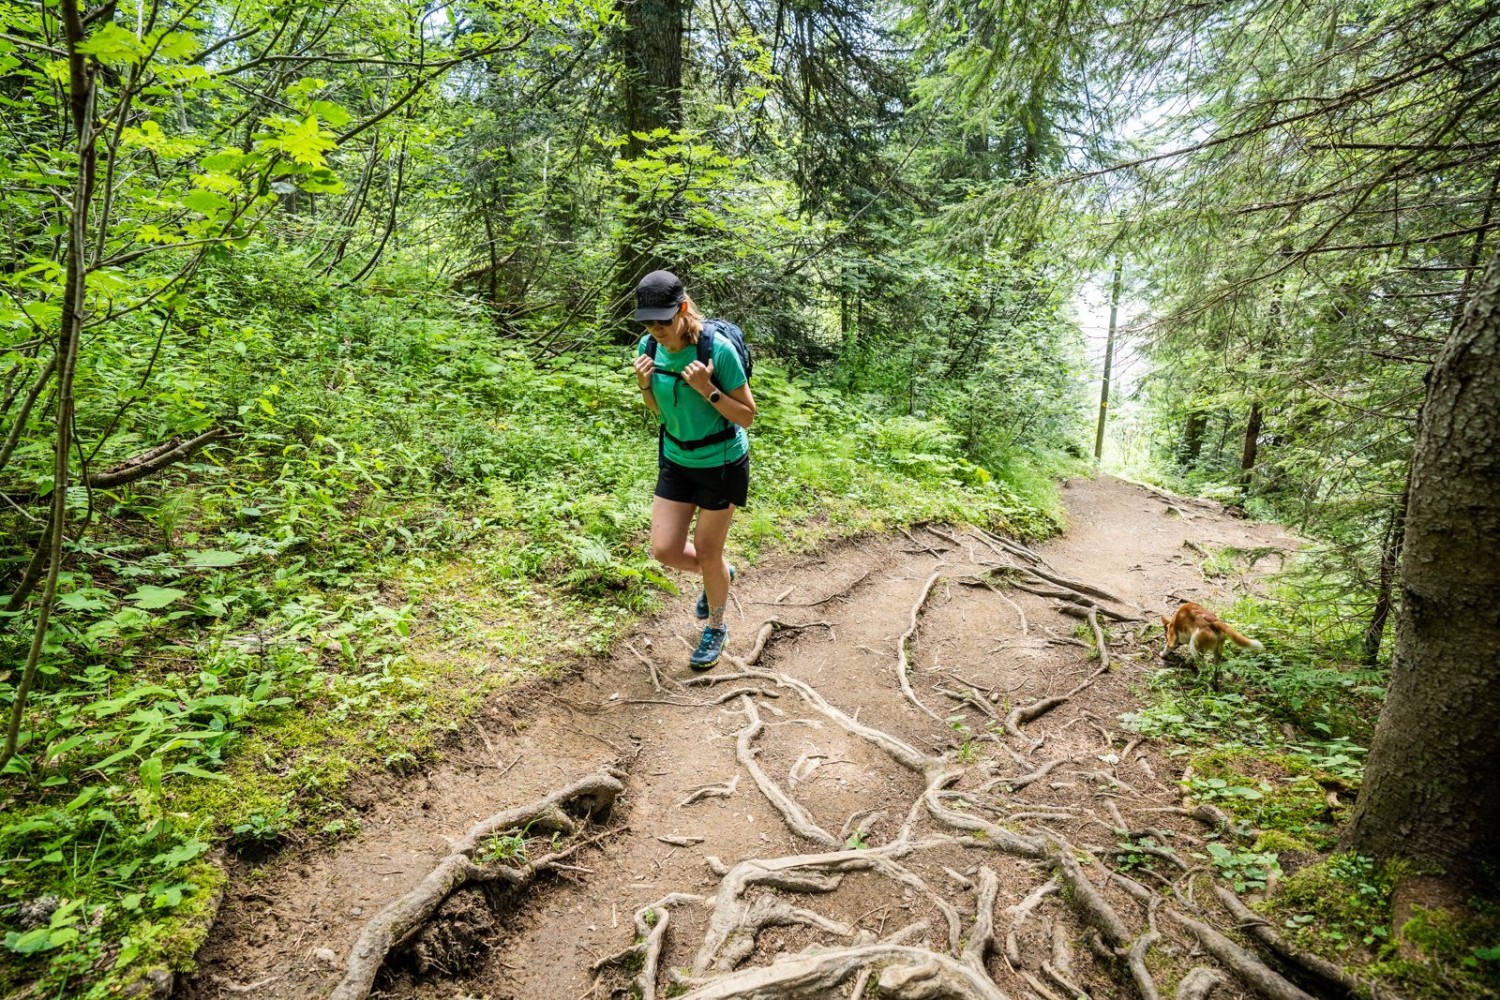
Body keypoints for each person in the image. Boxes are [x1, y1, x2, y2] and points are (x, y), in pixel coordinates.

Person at [631, 270, 755, 669]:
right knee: (664, 549)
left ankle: (716, 627)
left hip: (720, 462)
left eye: (663, 321)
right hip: (676, 458)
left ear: (683, 309)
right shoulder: (648, 346)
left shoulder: (717, 351)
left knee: (707, 550)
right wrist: (645, 387)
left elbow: (748, 416)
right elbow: (661, 413)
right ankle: (719, 573)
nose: (656, 329)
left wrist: (708, 389)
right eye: (648, 322)